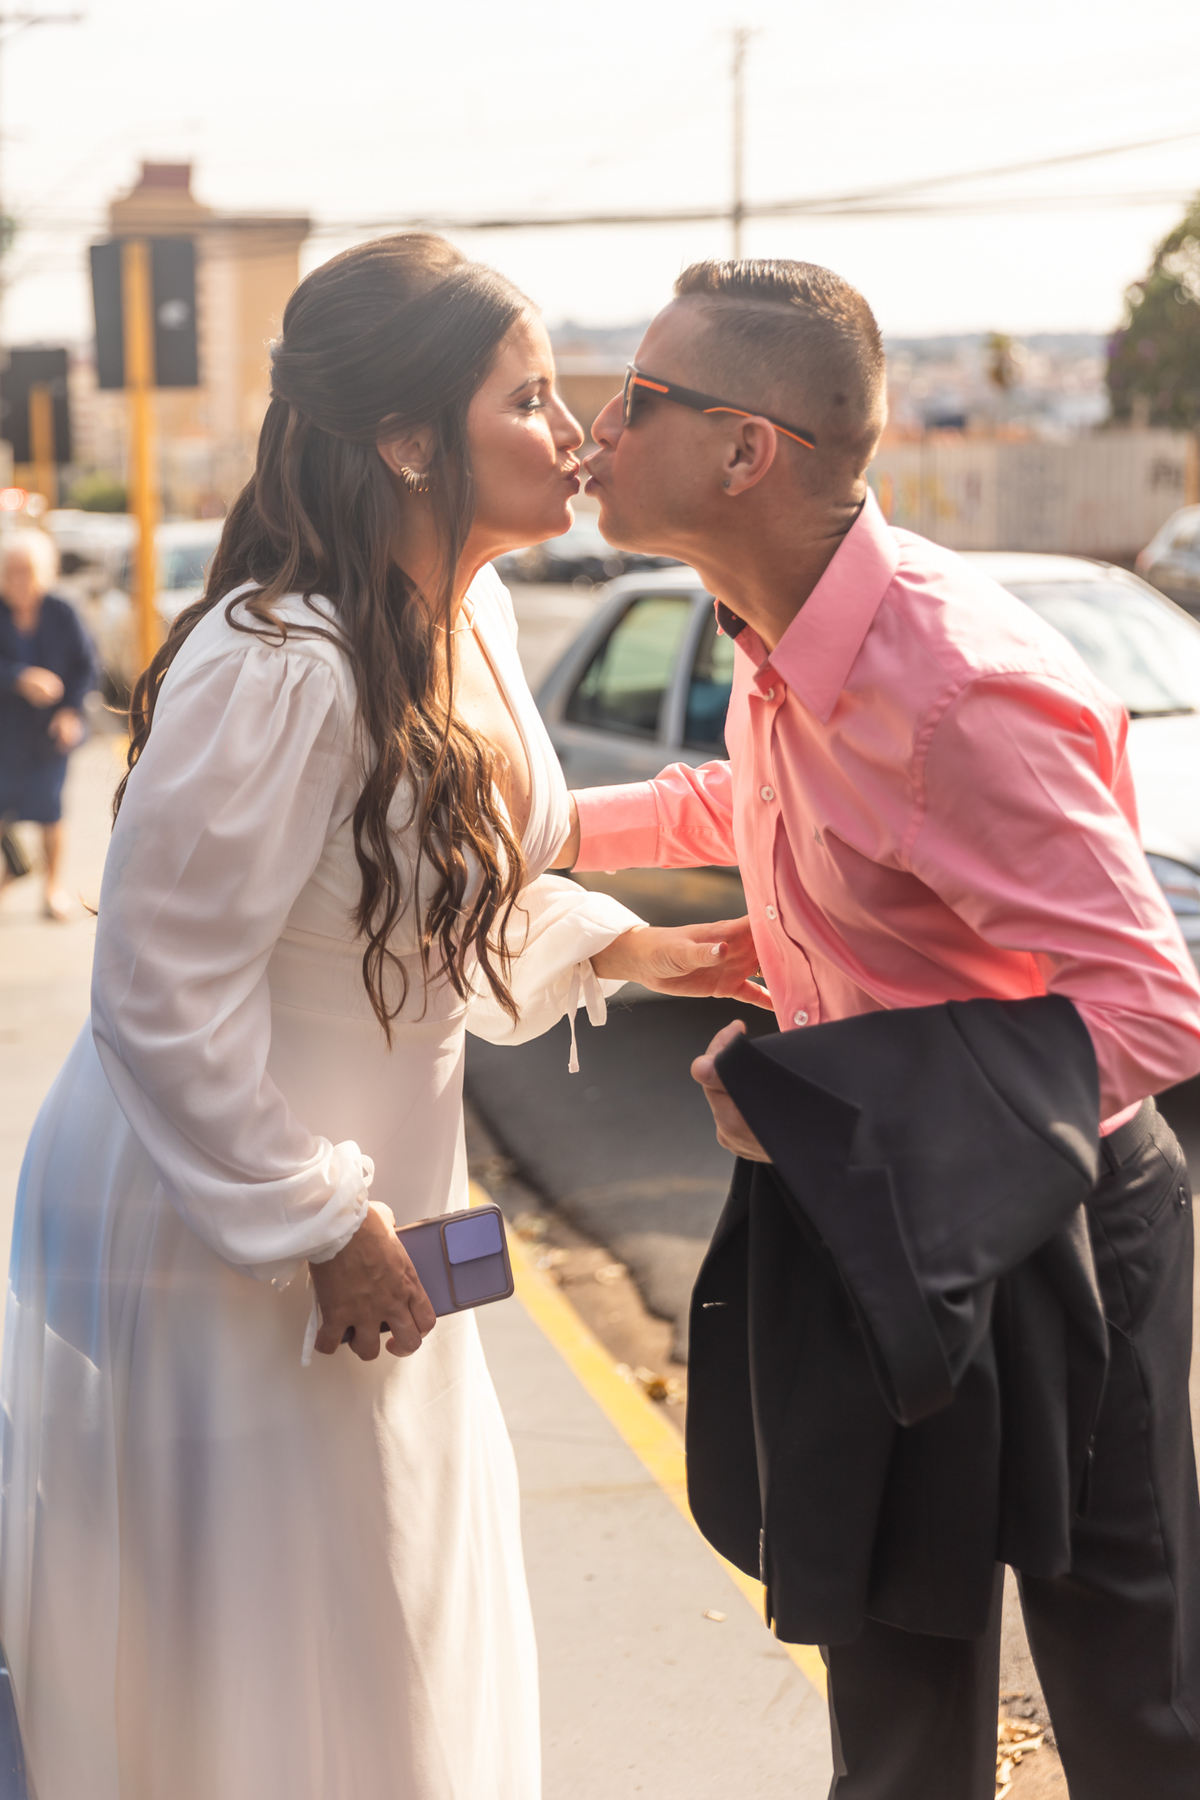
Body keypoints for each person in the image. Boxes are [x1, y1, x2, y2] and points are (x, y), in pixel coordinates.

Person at [0, 235, 764, 1800]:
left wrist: (635, 950)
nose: (575, 432)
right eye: (532, 396)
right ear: (407, 440)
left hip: (378, 1212)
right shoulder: (277, 662)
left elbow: (423, 900)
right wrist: (315, 1219)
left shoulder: (468, 624)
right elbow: (158, 990)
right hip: (229, 1230)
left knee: (391, 1608)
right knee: (288, 1646)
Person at [552, 257, 1200, 1798]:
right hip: (876, 1224)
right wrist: (529, 831)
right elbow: (760, 809)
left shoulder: (953, 684)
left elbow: (1150, 998)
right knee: (897, 1714)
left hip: (1063, 1229)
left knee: (1135, 1709)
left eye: (634, 398)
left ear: (741, 450)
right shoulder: (777, 638)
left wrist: (852, 1101)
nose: (594, 430)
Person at [0, 528, 96, 920]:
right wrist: (19, 677)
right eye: (11, 572)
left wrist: (70, 711)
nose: (19, 580)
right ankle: (15, 868)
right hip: (6, 730)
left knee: (50, 811)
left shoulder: (62, 610)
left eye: (27, 571)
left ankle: (51, 889)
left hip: (50, 732)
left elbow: (86, 666)